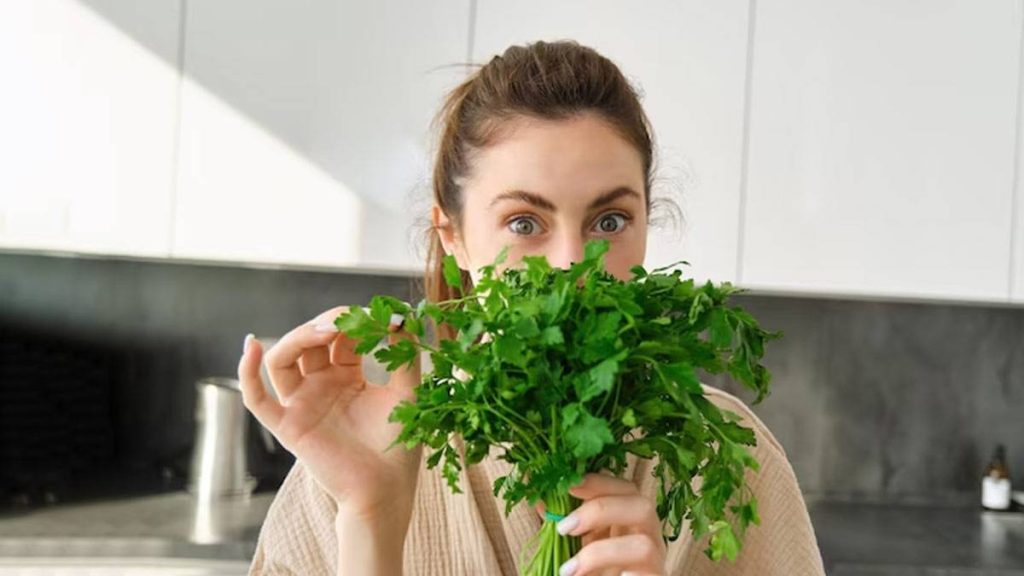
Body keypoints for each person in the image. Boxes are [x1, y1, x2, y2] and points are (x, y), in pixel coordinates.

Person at [237, 40, 826, 576]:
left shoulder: (725, 456)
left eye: (610, 221)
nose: (573, 266)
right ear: (454, 237)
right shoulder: (350, 464)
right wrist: (371, 519)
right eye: (525, 222)